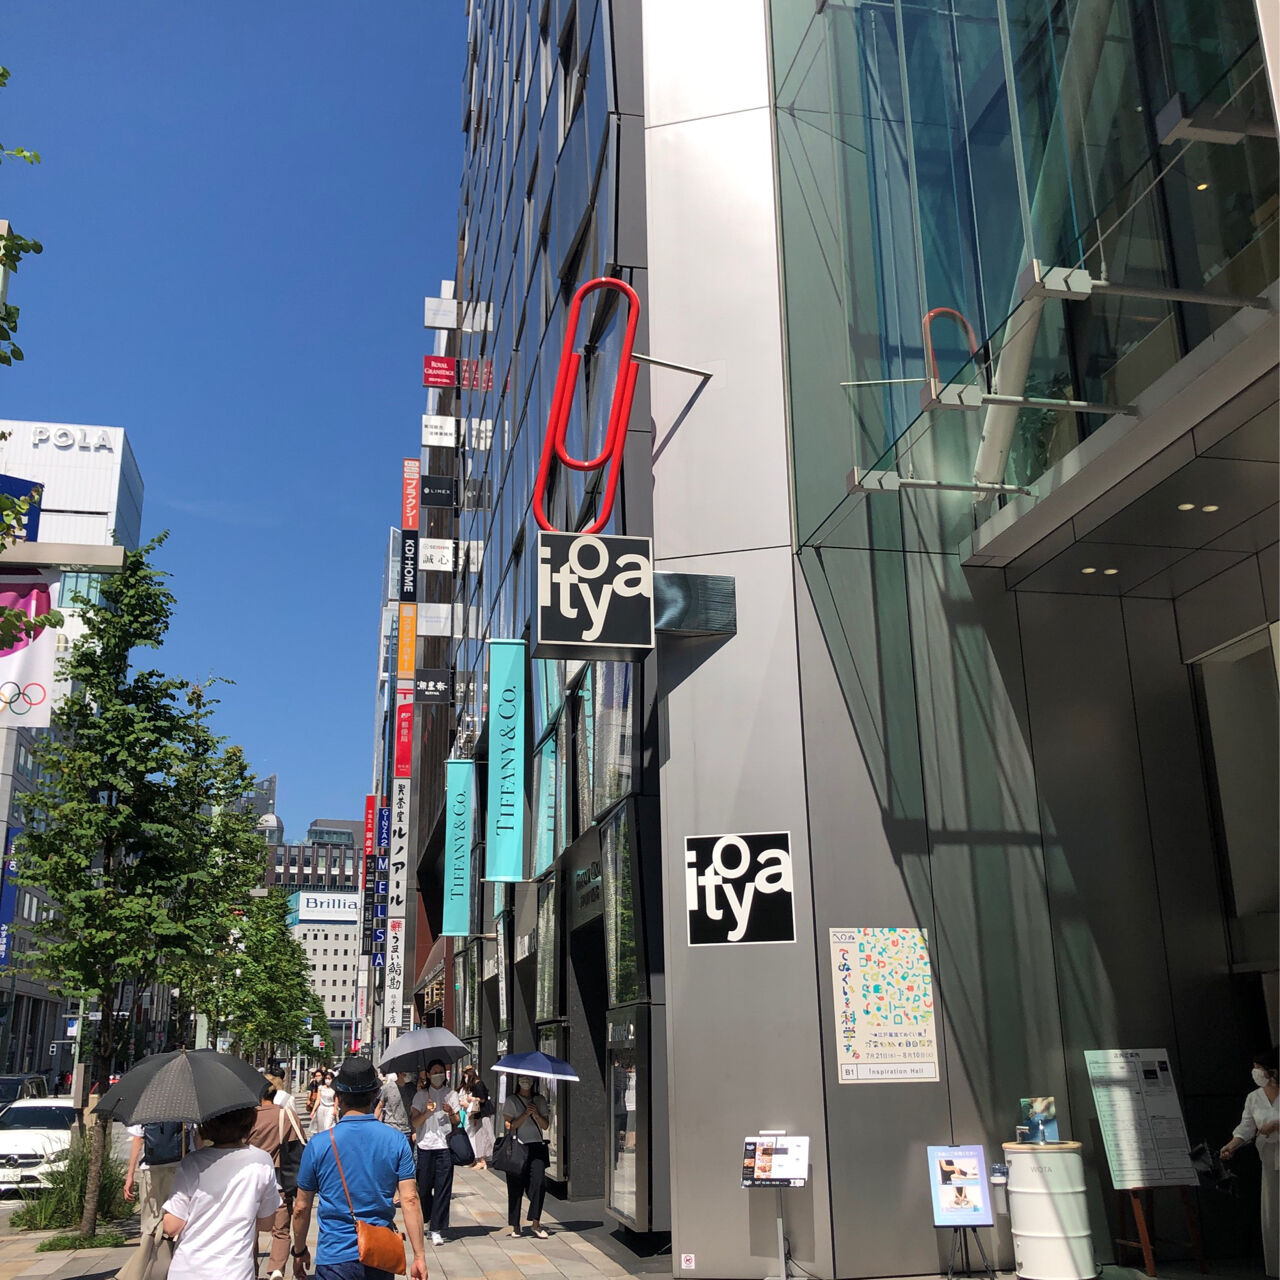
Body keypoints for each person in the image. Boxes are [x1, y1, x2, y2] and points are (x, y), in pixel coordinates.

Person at [291, 1055, 427, 1280]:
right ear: (375, 1095)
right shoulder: (396, 1141)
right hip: (380, 1252)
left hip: (335, 1256)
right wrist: (419, 1256)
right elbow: (410, 1199)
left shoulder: (319, 1144)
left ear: (338, 1096)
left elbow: (301, 1207)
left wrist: (299, 1251)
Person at [160, 1106, 281, 1280]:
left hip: (188, 1269)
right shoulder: (261, 1161)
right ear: (247, 1121)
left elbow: (172, 1227)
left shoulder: (192, 1162)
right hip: (235, 1270)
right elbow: (266, 1223)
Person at [1221, 1046, 1279, 1278]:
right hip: (1269, 1160)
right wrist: (1231, 1146)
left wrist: (1276, 1124)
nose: (1256, 1073)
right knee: (1274, 1213)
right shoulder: (1254, 1097)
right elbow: (1246, 1127)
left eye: (1259, 1068)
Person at [250, 1076, 309, 1280]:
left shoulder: (248, 1117)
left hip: (251, 1180)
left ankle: (252, 1269)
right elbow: (300, 1142)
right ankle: (276, 1269)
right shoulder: (286, 1114)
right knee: (281, 1229)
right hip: (279, 1179)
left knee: (250, 1227)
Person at [410, 1058, 460, 1247]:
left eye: (441, 1071)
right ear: (428, 1075)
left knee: (442, 1189)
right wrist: (426, 1112)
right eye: (435, 1072)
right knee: (423, 1188)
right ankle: (429, 1217)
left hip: (444, 1147)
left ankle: (437, 1228)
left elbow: (457, 1121)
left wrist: (450, 1111)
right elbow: (414, 1122)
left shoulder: (451, 1094)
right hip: (425, 1146)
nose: (438, 1075)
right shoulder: (421, 1096)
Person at [124, 1118, 192, 1245]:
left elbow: (138, 1140)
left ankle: (149, 1250)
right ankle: (171, 1249)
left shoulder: (146, 1110)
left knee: (151, 1219)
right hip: (179, 1168)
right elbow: (197, 1138)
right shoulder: (185, 1111)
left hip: (150, 1169)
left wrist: (130, 1176)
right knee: (176, 1214)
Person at [501, 1074, 551, 1238]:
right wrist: (525, 1114)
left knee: (539, 1183)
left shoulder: (540, 1100)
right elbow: (509, 1126)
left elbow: (545, 1125)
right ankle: (515, 1225)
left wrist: (535, 1113)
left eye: (528, 1078)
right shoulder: (511, 1100)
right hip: (517, 1146)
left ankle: (536, 1223)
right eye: (522, 1078)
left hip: (536, 1146)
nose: (525, 1081)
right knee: (515, 1186)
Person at [459, 1066, 494, 1171]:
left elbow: (483, 1099)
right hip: (478, 1114)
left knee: (485, 1136)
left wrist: (473, 1099)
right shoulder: (474, 1085)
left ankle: (483, 1160)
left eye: (466, 1075)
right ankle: (480, 1160)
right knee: (479, 1136)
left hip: (483, 1113)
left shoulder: (479, 1084)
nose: (465, 1078)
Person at [376, 1071, 413, 1140]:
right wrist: (375, 1126)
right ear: (399, 1073)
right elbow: (379, 1107)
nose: (407, 1075)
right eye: (405, 1073)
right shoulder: (387, 1088)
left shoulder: (411, 1089)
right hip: (390, 1129)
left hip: (407, 1130)